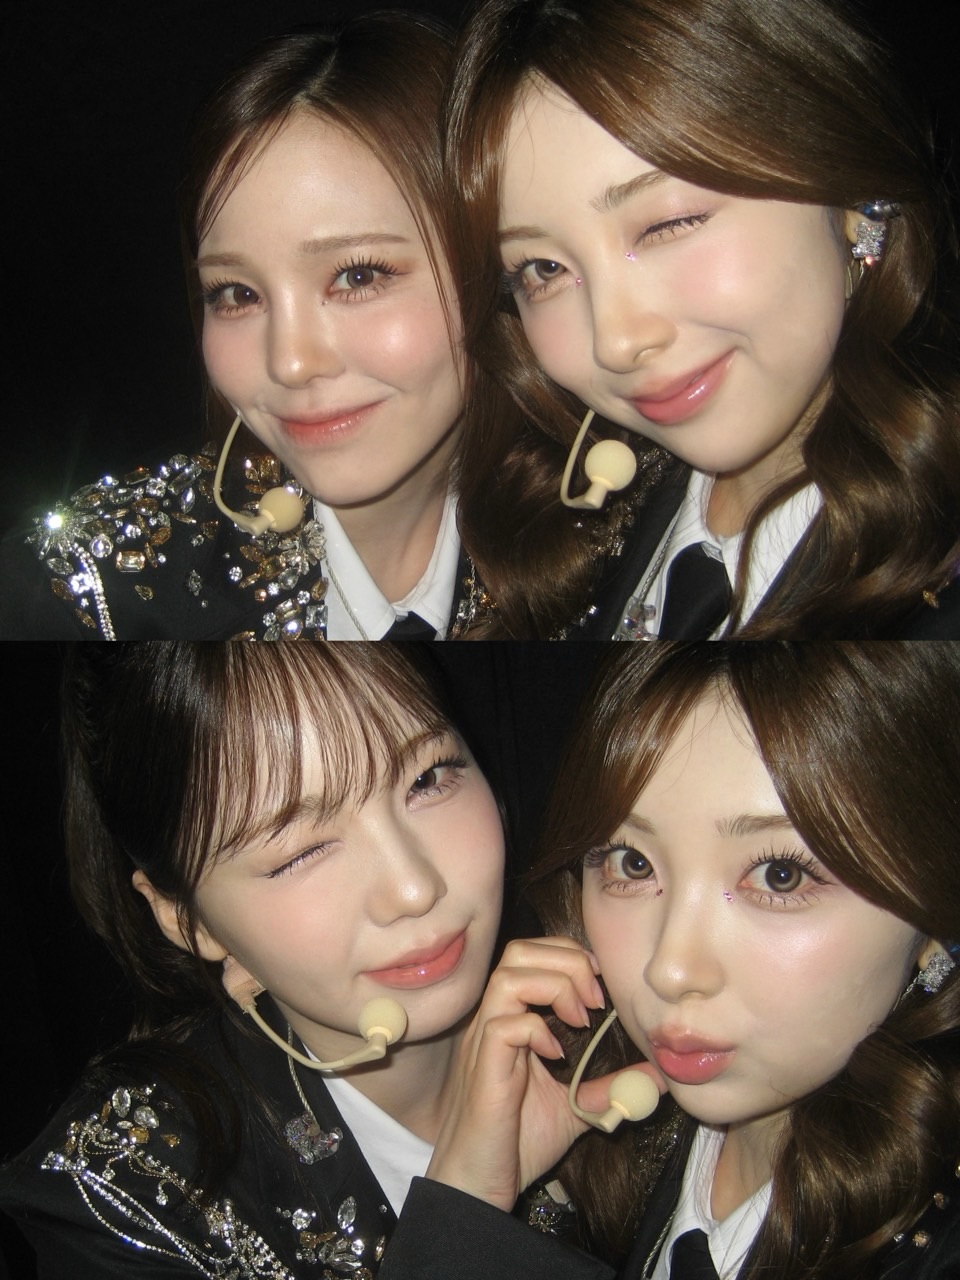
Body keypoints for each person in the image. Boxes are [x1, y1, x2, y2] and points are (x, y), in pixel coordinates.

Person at [377, 642, 960, 1278]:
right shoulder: (634, 1144)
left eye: (781, 875)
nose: (669, 971)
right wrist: (467, 1201)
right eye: (631, 863)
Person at [447, 0, 960, 638]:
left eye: (671, 223)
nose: (617, 341)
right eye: (542, 269)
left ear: (851, 194)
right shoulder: (573, 536)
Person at [0, 642, 510, 1275]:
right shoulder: (125, 1195)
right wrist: (466, 1213)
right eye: (299, 852)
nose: (414, 889)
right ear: (185, 917)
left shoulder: (606, 1009)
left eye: (427, 779)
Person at [0, 12, 487, 641]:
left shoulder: (602, 552)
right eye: (237, 294)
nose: (290, 362)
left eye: (358, 276)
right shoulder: (80, 595)